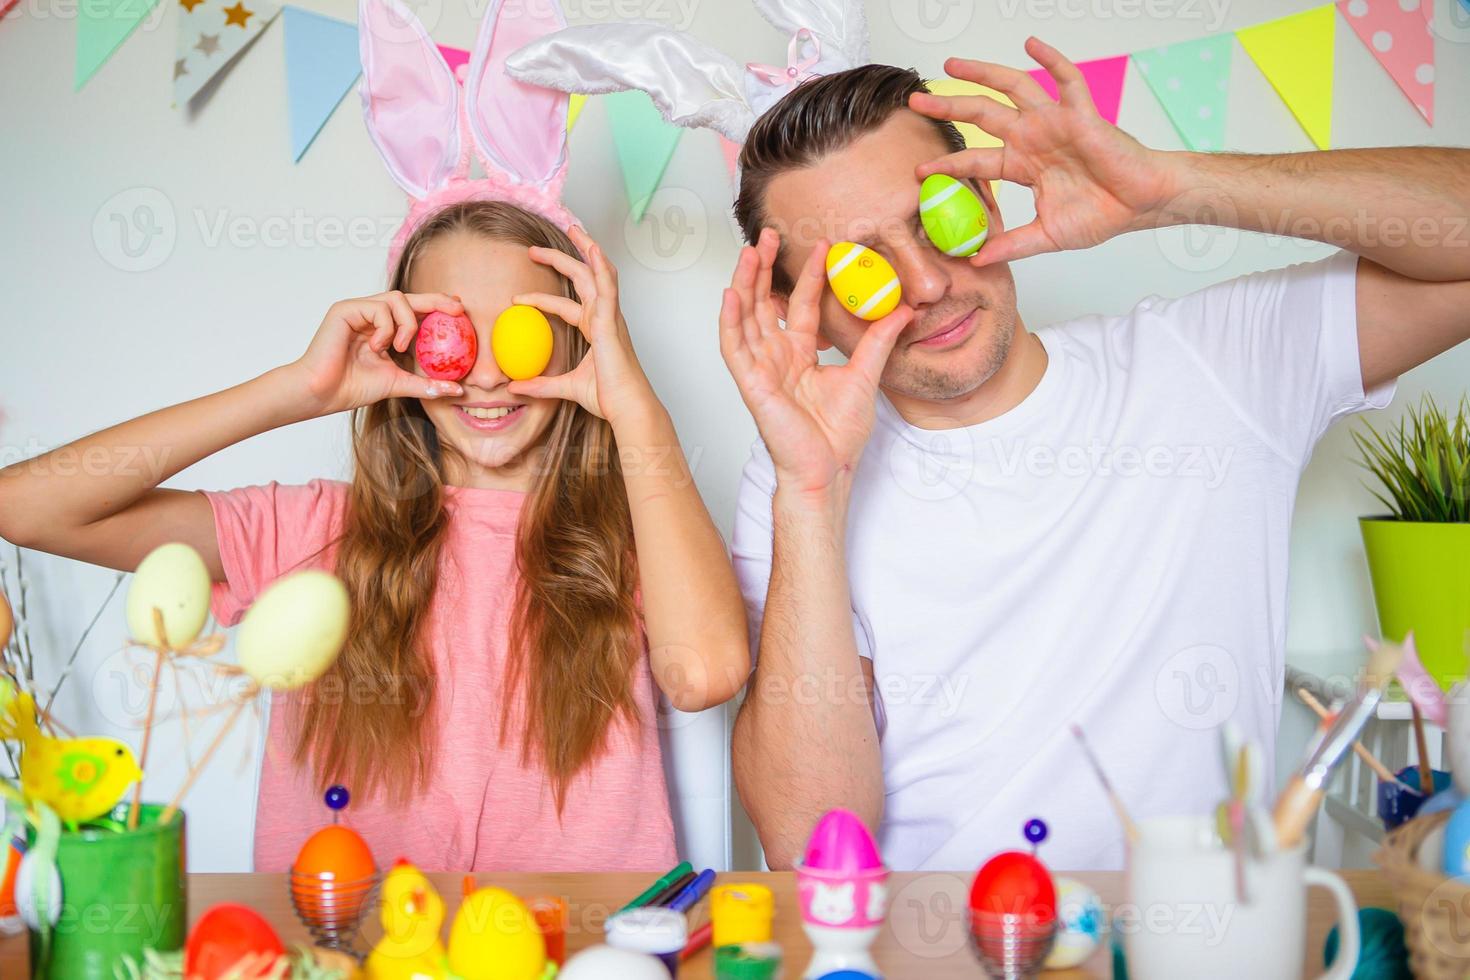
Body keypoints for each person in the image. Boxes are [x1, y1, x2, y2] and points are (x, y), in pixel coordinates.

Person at [0, 0, 750, 872]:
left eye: (522, 332)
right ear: (399, 344)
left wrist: (635, 405)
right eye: (450, 334)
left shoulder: (633, 539)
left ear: (581, 340)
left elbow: (706, 673)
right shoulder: (317, 534)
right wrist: (293, 391)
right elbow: (26, 508)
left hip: (573, 955)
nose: (485, 376)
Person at [719, 40, 1470, 870]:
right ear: (807, 317)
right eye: (864, 273)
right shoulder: (797, 480)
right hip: (930, 946)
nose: (927, 285)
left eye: (941, 217)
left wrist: (1173, 187)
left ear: (989, 200)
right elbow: (809, 840)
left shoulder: (1216, 366)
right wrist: (811, 493)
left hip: (1194, 941)